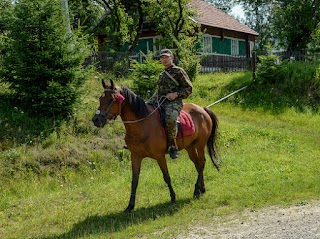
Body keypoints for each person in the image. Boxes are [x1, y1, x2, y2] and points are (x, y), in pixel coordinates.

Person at [152, 48, 193, 159]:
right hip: (160, 101)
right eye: (162, 58)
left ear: (172, 58)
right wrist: (152, 99)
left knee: (170, 118)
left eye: (166, 57)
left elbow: (189, 88)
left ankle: (172, 146)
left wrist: (175, 94)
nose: (164, 60)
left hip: (174, 102)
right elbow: (160, 90)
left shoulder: (178, 71)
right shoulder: (162, 74)